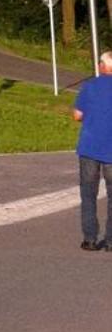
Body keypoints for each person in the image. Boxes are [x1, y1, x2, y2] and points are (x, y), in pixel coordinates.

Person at [72, 49, 112, 251]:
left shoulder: (89, 87)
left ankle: (90, 238)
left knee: (88, 193)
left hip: (90, 147)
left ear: (101, 66)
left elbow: (77, 115)